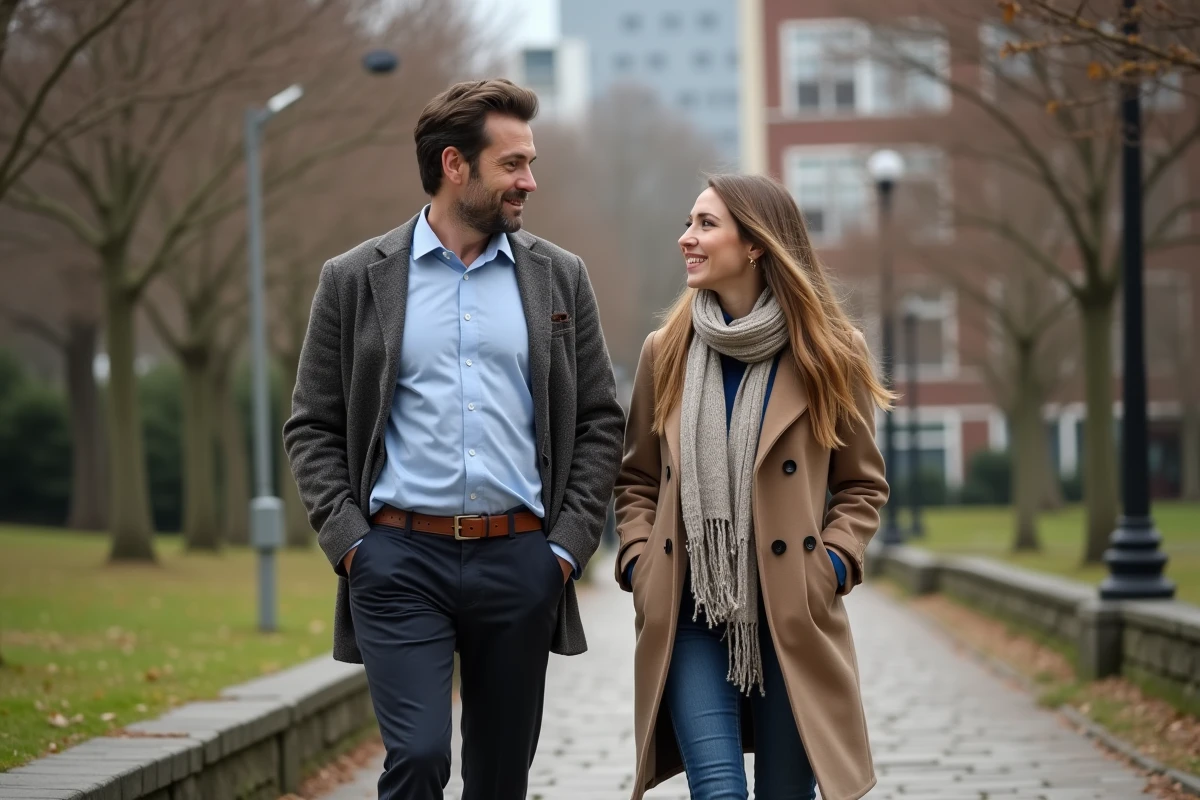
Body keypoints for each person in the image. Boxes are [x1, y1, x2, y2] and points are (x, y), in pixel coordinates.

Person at [283, 79, 624, 800]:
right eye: (513, 165)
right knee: (419, 758)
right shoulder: (353, 280)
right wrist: (352, 544)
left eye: (530, 163)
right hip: (399, 560)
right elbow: (311, 423)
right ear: (454, 165)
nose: (529, 181)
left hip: (521, 560)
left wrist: (562, 550)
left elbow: (599, 419)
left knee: (500, 779)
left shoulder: (560, 277)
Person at [614, 173, 891, 800]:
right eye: (689, 223)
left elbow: (861, 486)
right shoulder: (668, 352)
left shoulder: (830, 353)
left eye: (706, 225)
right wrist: (638, 563)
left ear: (757, 244)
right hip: (690, 610)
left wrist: (835, 563)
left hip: (789, 609)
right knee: (718, 792)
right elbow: (636, 479)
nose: (687, 238)